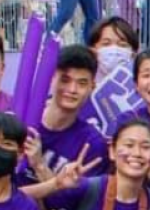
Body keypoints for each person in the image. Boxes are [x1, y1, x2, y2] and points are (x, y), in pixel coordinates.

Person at [23, 45, 109, 184]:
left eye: (82, 83)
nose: (72, 89)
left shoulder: (92, 143)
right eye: (65, 80)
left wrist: (40, 165)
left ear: (92, 87)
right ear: (51, 78)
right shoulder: (22, 118)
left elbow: (77, 202)